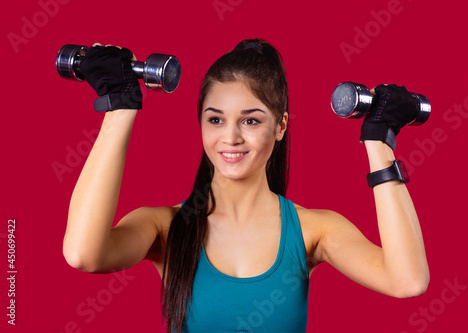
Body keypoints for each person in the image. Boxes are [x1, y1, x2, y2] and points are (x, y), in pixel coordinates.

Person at [63, 39, 429, 333]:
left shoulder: (312, 231)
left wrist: (379, 141)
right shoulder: (165, 227)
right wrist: (120, 106)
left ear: (281, 126)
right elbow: (83, 254)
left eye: (251, 121)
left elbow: (407, 280)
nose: (231, 137)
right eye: (216, 119)